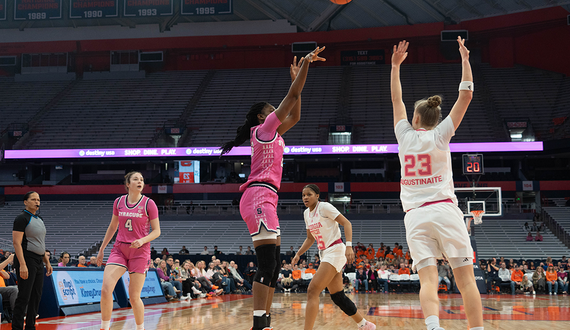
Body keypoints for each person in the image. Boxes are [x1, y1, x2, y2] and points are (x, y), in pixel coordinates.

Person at [219, 48, 325, 330]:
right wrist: (304, 66)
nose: (276, 114)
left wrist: (296, 82)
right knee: (266, 264)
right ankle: (258, 323)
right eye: (271, 111)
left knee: (274, 266)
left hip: (267, 197)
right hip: (257, 195)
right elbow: (290, 99)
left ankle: (264, 322)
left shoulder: (274, 134)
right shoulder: (263, 131)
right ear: (261, 118)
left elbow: (296, 113)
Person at [391, 38, 483, 330]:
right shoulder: (442, 133)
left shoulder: (404, 135)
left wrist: (395, 67)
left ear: (415, 117)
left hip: (415, 216)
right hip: (444, 210)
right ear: (435, 118)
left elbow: (396, 100)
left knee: (428, 280)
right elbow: (465, 96)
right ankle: (477, 329)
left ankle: (433, 327)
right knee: (465, 280)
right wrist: (465, 60)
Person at [292, 184, 375, 330]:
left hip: (336, 250)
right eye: (303, 195)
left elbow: (346, 223)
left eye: (309, 194)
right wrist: (298, 254)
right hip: (324, 253)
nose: (305, 197)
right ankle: (364, 325)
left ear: (317, 196)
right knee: (338, 296)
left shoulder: (324, 207)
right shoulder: (306, 214)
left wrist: (349, 246)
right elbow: (310, 239)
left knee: (312, 290)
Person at [96, 172, 161, 330]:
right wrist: (102, 249)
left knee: (134, 297)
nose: (140, 181)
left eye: (142, 179)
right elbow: (113, 226)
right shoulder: (118, 201)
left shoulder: (149, 203)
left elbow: (157, 231)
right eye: (136, 179)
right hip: (119, 249)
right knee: (105, 289)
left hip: (140, 252)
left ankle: (140, 328)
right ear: (128, 184)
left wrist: (142, 240)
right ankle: (104, 327)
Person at [12, 191, 53, 330]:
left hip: (38, 260)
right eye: (34, 199)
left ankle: (31, 326)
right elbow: (16, 243)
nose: (37, 202)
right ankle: (16, 327)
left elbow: (41, 243)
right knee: (24, 296)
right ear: (25, 202)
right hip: (26, 258)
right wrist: (22, 264)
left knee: (36, 295)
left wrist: (47, 261)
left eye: (38, 200)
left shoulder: (39, 219)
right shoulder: (21, 218)